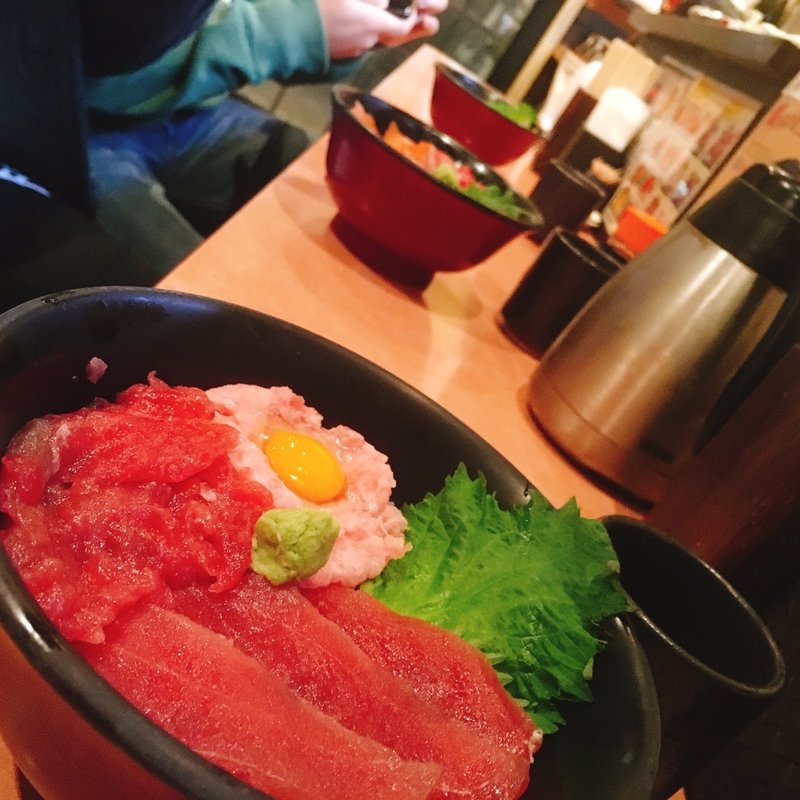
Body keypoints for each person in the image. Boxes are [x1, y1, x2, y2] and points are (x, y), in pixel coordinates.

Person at [79, 0, 448, 280]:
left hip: (189, 108)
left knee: (304, 167)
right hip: (71, 117)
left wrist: (357, 27)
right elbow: (101, 56)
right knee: (199, 288)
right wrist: (299, 29)